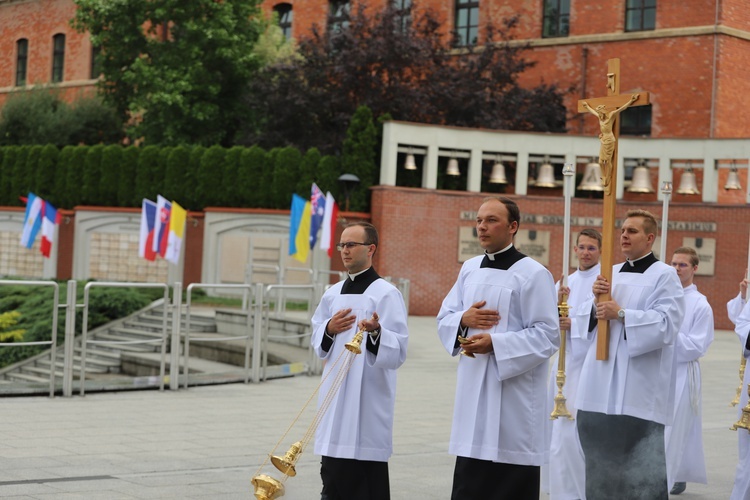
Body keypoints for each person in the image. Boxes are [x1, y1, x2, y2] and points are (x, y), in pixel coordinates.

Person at [436, 196, 559, 499]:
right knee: (470, 482)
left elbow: (548, 334)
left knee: (509, 484)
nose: (481, 227)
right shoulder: (470, 269)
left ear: (513, 226)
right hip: (473, 394)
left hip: (514, 402)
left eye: (491, 220)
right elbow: (445, 317)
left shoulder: (533, 273)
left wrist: (496, 343)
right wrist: (463, 319)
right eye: (478, 220)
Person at [575, 209, 685, 499]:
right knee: (601, 468)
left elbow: (667, 325)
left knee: (638, 473)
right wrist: (594, 300)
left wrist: (622, 313)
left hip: (638, 389)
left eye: (632, 231)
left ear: (650, 238)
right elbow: (585, 324)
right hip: (599, 385)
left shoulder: (665, 276)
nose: (624, 235)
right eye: (622, 230)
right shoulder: (609, 272)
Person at [310, 221, 408, 500]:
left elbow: (399, 348)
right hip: (334, 396)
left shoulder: (386, 293)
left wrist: (377, 332)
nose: (344, 250)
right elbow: (317, 335)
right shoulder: (332, 293)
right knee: (332, 474)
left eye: (351, 244)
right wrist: (328, 328)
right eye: (342, 245)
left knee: (365, 481)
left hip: (367, 397)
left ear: (371, 248)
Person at [545, 228, 602, 500]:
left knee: (574, 433)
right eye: (582, 247)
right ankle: (561, 491)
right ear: (575, 249)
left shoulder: (604, 281)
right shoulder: (565, 282)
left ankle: (580, 490)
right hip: (563, 364)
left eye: (591, 247)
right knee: (558, 433)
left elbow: (601, 322)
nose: (586, 252)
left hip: (587, 365)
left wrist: (574, 324)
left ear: (600, 251)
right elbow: (549, 321)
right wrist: (557, 306)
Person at [664, 247, 714, 495]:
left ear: (695, 269)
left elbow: (697, 345)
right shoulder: (663, 296)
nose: (676, 269)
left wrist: (667, 335)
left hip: (683, 372)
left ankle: (672, 475)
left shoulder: (700, 304)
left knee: (677, 427)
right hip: (659, 370)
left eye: (682, 265)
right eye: (673, 263)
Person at [581, 93, 639, 188]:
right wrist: (587, 106)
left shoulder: (611, 115)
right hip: (603, 139)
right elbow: (592, 112)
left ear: (603, 111)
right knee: (600, 161)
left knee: (607, 161)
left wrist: (631, 101)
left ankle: (608, 176)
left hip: (609, 140)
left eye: (600, 113)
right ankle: (603, 176)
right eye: (598, 113)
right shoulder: (600, 118)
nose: (599, 115)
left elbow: (621, 109)